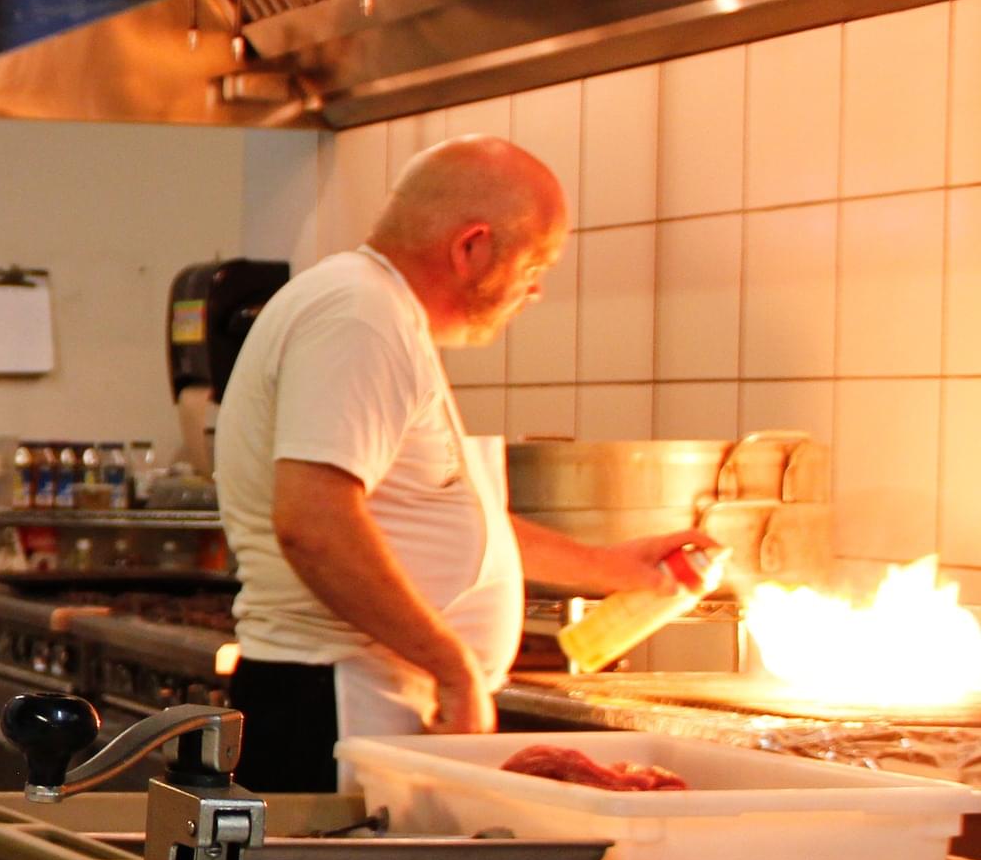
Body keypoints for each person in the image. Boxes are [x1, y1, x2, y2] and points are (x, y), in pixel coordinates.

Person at [213, 136, 713, 791]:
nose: (536, 290)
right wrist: (452, 667)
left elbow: (421, 519)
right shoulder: (362, 316)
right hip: (334, 703)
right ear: (472, 246)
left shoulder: (377, 310)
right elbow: (314, 524)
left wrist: (609, 568)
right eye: (536, 264)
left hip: (353, 698)